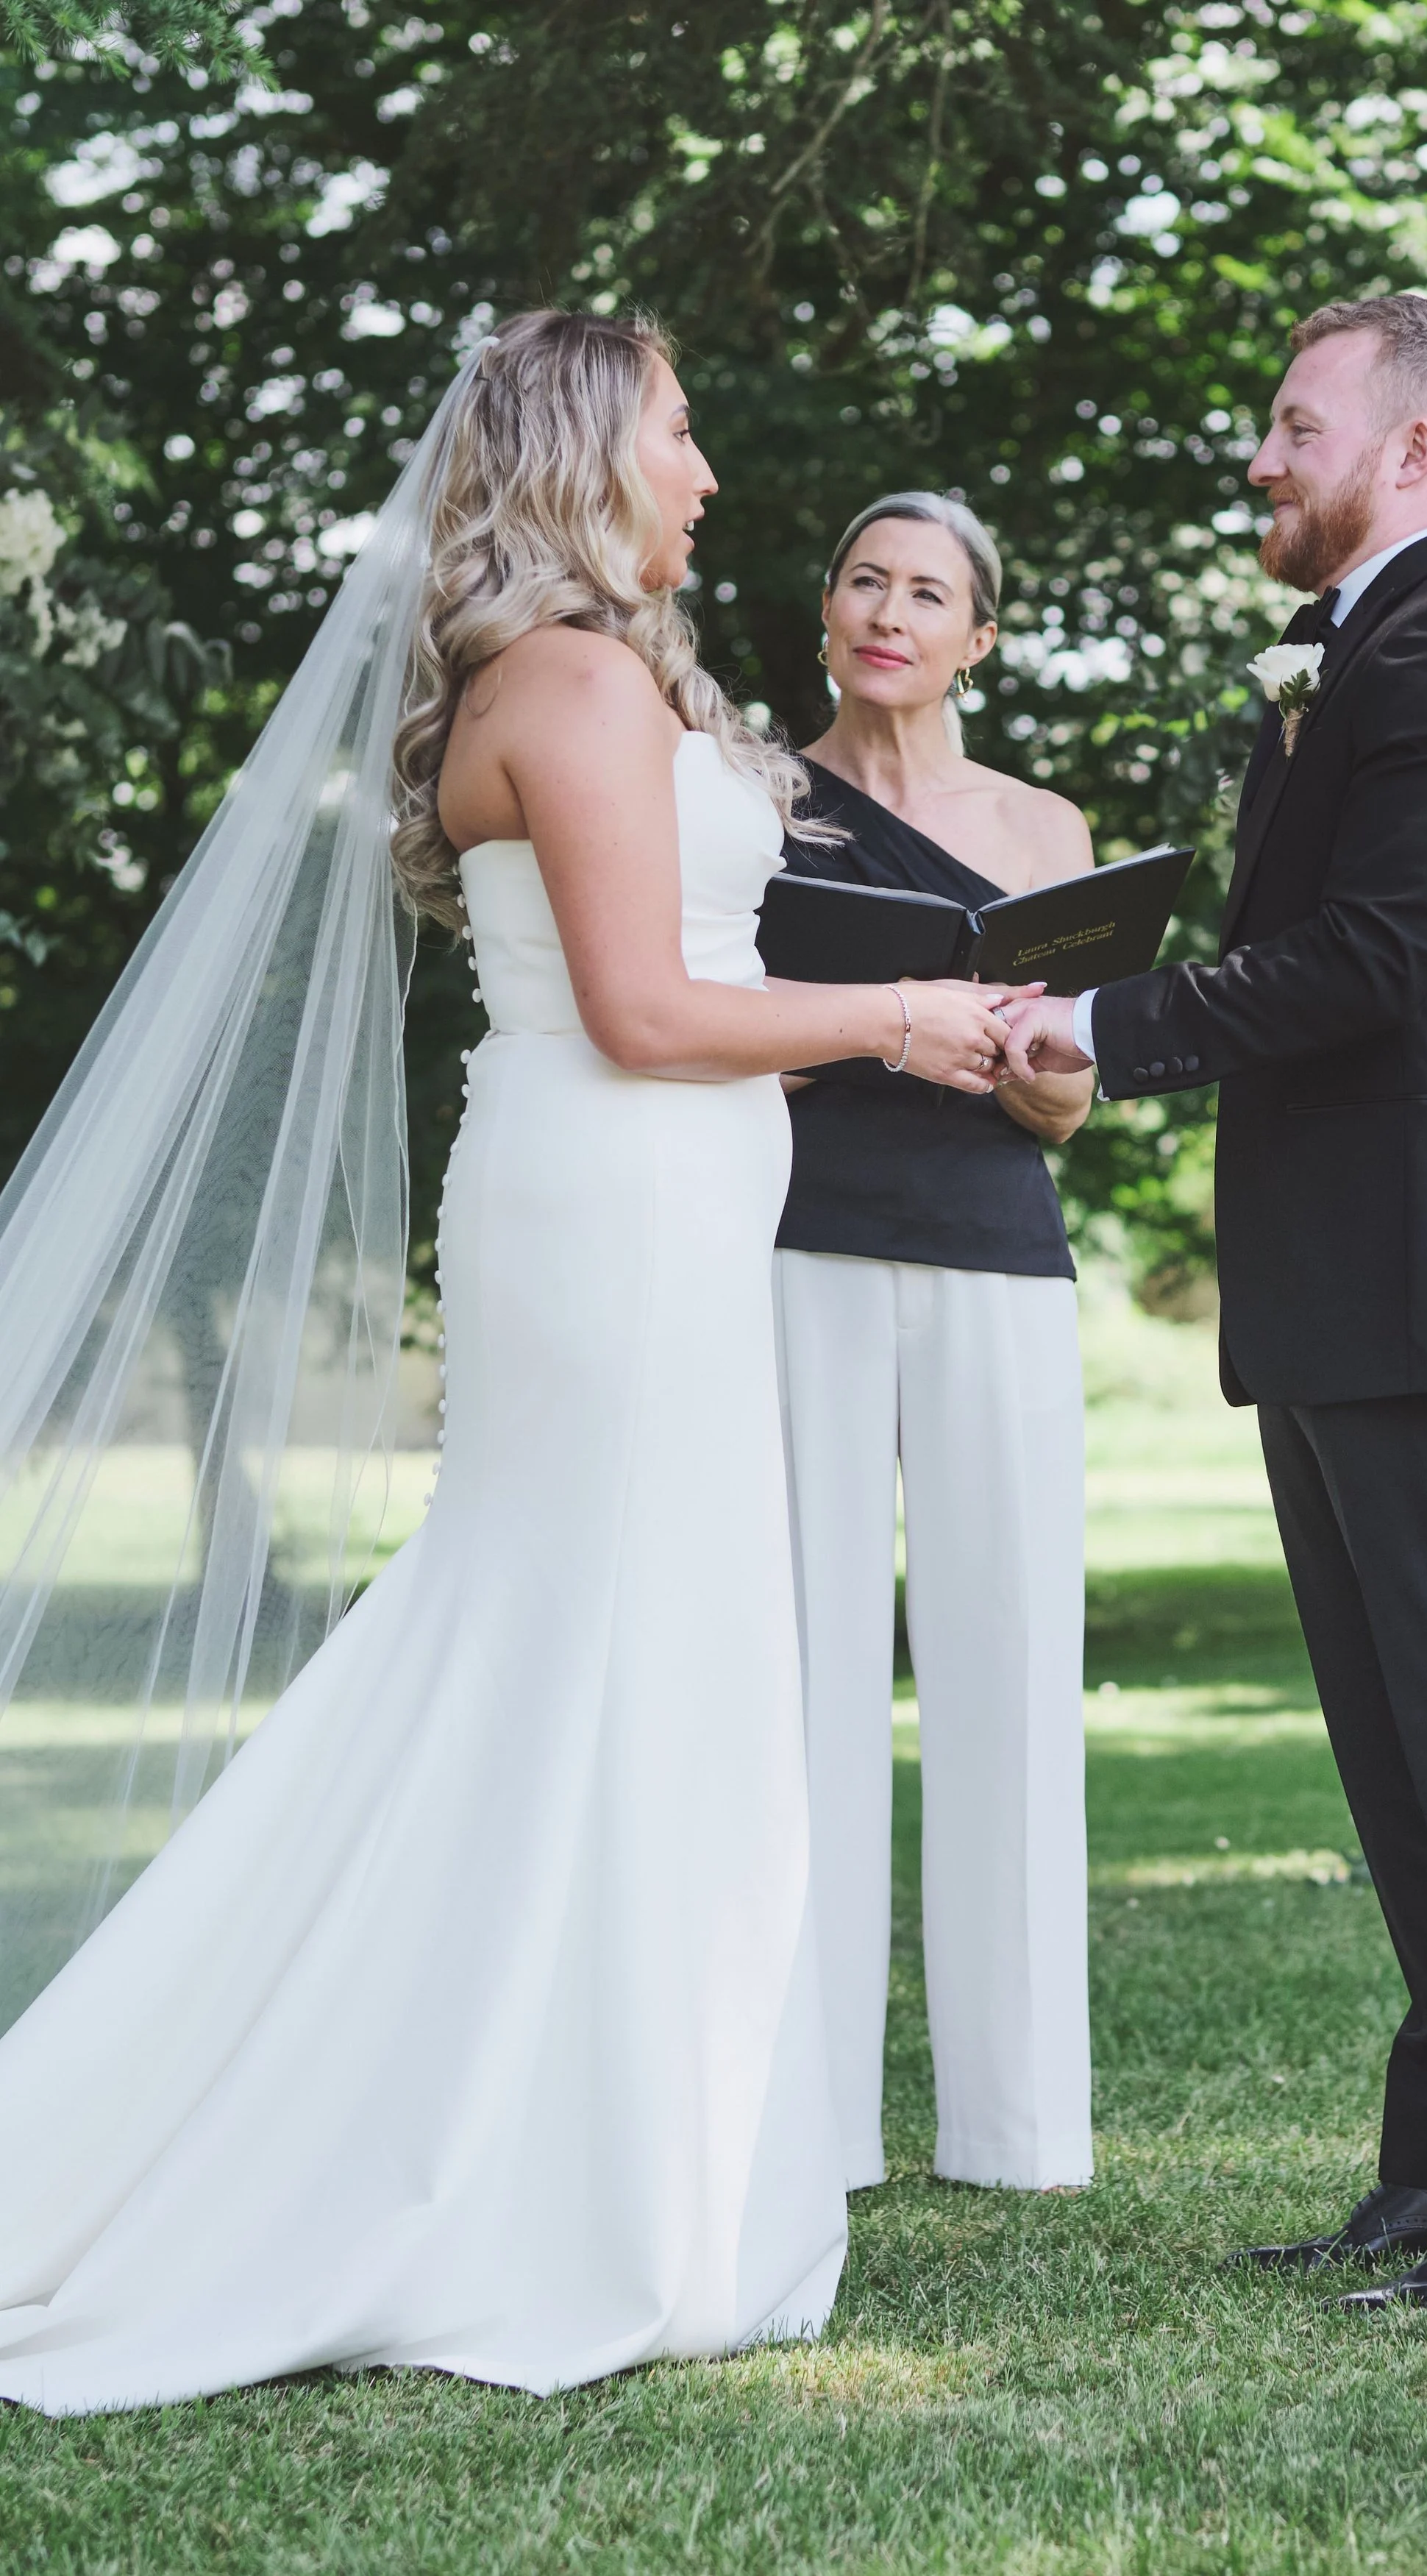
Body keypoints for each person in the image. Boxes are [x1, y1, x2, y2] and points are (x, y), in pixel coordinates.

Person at [0, 311, 1024, 2416]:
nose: (709, 471)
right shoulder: (556, 678)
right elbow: (647, 1010)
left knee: (614, 1663)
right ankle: (517, 2180)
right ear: (584, 450)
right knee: (577, 1652)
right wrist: (902, 1010)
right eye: (678, 425)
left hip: (660, 1212)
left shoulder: (603, 668)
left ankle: (603, 2148)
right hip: (608, 1214)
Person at [999, 296, 1427, 2312]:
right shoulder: (1345, 660)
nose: (1261, 456)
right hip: (1337, 1284)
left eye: (1294, 423)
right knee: (1394, 1755)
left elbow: (1366, 963)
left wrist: (1087, 1018)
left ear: (1416, 453)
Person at [773, 494, 1096, 2196]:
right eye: (864, 581)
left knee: (1013, 1658)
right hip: (798, 1243)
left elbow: (1065, 1108)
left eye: (930, 593)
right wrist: (876, 1032)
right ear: (824, 610)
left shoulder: (1046, 828)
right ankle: (815, 2122)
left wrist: (1043, 1069)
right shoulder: (745, 799)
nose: (889, 611)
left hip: (994, 1252)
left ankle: (1021, 2128)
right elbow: (699, 1035)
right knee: (813, 1665)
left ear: (980, 635)